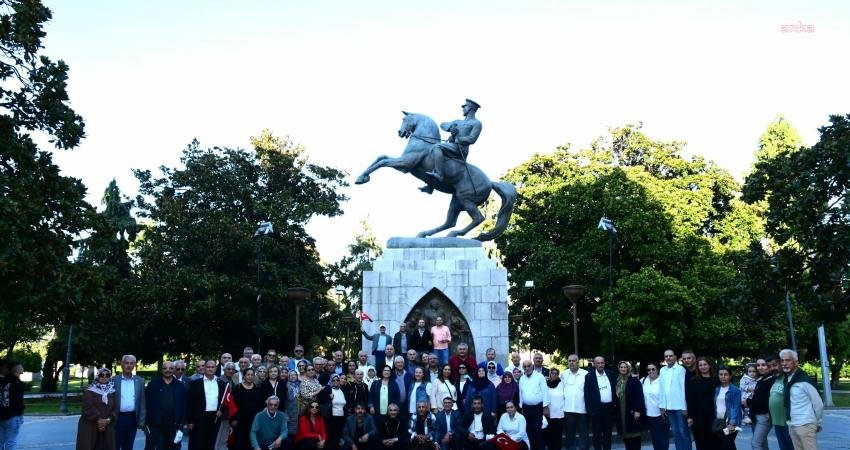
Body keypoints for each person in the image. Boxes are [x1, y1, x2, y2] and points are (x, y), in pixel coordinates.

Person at [422, 99, 483, 188]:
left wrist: (458, 139)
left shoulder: (476, 123)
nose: (463, 109)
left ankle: (439, 175)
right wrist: (451, 128)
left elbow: (472, 139)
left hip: (460, 149)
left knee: (437, 147)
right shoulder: (458, 122)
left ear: (470, 108)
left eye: (464, 107)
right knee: (436, 157)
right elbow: (443, 124)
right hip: (452, 146)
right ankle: (430, 186)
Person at [781, 349, 823, 450]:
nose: (784, 363)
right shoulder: (788, 379)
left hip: (806, 424)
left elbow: (818, 404)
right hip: (792, 424)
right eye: (782, 360)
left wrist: (817, 423)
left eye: (788, 360)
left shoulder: (804, 381)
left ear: (796, 362)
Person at [144, 360, 186, 450]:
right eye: (165, 368)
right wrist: (146, 423)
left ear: (174, 370)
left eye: (171, 368)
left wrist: (182, 423)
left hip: (174, 425)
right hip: (155, 425)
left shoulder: (180, 385)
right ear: (161, 370)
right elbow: (146, 403)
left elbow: (183, 405)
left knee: (174, 447)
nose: (168, 370)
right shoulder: (153, 385)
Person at [186, 360, 226, 450]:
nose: (210, 369)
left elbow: (223, 400)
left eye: (212, 367)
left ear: (216, 369)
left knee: (211, 442)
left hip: (214, 417)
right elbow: (190, 403)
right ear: (204, 368)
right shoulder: (195, 383)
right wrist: (190, 421)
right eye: (208, 367)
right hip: (199, 418)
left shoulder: (221, 383)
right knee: (197, 443)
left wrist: (221, 410)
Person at [77, 368, 119, 450]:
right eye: (101, 375)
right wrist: (99, 420)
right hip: (90, 426)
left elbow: (116, 408)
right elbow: (87, 407)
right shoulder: (90, 390)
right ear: (97, 376)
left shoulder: (113, 391)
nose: (104, 377)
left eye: (107, 375)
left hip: (108, 425)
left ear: (110, 377)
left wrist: (109, 419)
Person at [658, 349, 691, 450]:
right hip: (669, 408)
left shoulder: (681, 369)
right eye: (666, 356)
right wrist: (662, 406)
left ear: (675, 357)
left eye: (670, 356)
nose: (668, 358)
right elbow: (662, 389)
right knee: (676, 433)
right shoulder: (662, 370)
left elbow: (683, 388)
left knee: (683, 432)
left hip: (680, 407)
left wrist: (685, 407)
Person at [112, 354, 146, 450]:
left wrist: (141, 421)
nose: (129, 365)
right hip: (117, 418)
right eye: (126, 363)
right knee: (115, 445)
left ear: (134, 365)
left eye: (131, 363)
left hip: (132, 418)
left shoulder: (140, 381)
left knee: (128, 446)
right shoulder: (114, 380)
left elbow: (142, 402)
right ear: (122, 364)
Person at [687, 357, 720, 450]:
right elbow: (690, 400)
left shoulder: (717, 380)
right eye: (700, 365)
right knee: (701, 441)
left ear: (709, 365)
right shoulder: (693, 381)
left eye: (705, 364)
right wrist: (690, 416)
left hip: (714, 416)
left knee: (715, 441)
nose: (703, 367)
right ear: (698, 367)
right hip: (698, 417)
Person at [584, 356, 616, 450]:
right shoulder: (589, 376)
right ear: (594, 364)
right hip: (596, 410)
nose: (600, 365)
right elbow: (587, 394)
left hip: (609, 408)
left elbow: (615, 389)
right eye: (598, 363)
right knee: (597, 434)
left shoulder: (610, 374)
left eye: (602, 362)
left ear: (604, 363)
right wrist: (590, 411)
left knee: (608, 433)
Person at [744, 357, 774, 450]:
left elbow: (766, 401)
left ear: (768, 366)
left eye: (763, 365)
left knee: (756, 444)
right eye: (758, 365)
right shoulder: (761, 380)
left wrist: (748, 401)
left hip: (764, 416)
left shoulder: (771, 380)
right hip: (755, 416)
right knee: (762, 444)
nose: (760, 367)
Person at [232, 368, 266, 450]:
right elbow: (233, 405)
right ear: (244, 376)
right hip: (239, 419)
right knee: (239, 441)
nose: (250, 376)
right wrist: (234, 418)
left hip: (253, 420)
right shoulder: (237, 388)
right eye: (248, 374)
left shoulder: (258, 389)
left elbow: (261, 406)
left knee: (251, 441)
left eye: (252, 375)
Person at [518, 360, 549, 450]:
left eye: (528, 366)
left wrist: (545, 407)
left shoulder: (540, 377)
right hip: (526, 408)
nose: (527, 368)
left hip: (537, 408)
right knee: (528, 430)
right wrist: (521, 407)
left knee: (537, 430)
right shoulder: (522, 378)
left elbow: (545, 392)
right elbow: (521, 393)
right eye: (525, 367)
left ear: (532, 366)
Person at [560, 354, 588, 450]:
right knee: (569, 433)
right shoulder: (563, 374)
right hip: (568, 409)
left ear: (578, 362)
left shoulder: (586, 374)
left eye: (573, 360)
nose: (571, 362)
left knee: (583, 433)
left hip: (582, 409)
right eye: (569, 361)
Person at [614, 362, 644, 450]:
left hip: (632, 412)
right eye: (621, 367)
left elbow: (639, 396)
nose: (623, 369)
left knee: (635, 437)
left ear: (628, 368)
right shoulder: (618, 381)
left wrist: (637, 410)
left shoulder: (634, 380)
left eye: (625, 367)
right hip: (622, 413)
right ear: (619, 368)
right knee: (626, 437)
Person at [767, 356, 793, 450]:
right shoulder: (775, 380)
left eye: (774, 365)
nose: (772, 368)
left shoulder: (789, 379)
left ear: (781, 364)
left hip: (788, 424)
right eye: (769, 366)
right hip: (777, 423)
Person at [714, 366, 742, 450]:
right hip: (718, 423)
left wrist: (732, 423)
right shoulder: (716, 389)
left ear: (730, 376)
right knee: (728, 446)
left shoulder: (735, 390)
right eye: (721, 374)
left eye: (725, 374)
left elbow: (735, 407)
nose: (723, 376)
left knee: (726, 446)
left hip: (729, 423)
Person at [641, 363, 667, 450]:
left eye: (653, 369)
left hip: (661, 414)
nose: (651, 371)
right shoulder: (644, 380)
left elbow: (667, 395)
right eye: (649, 370)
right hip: (649, 414)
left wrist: (664, 408)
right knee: (654, 438)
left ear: (657, 370)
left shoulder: (662, 380)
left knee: (662, 438)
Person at [544, 368, 565, 450]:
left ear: (558, 375)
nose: (554, 374)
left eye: (556, 373)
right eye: (552, 373)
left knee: (557, 436)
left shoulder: (562, 384)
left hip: (559, 414)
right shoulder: (546, 384)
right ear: (550, 374)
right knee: (549, 435)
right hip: (548, 414)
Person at [327, 375, 349, 450]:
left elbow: (346, 403)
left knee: (340, 437)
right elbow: (323, 401)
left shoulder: (343, 390)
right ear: (331, 381)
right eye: (334, 380)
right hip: (332, 418)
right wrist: (328, 397)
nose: (336, 381)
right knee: (333, 438)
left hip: (342, 418)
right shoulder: (328, 390)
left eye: (337, 380)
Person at [287, 371, 302, 443]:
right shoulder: (286, 386)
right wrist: (285, 414)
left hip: (300, 412)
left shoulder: (300, 385)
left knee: (299, 433)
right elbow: (284, 401)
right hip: (290, 413)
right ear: (288, 377)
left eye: (295, 375)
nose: (293, 376)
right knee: (290, 434)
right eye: (291, 375)